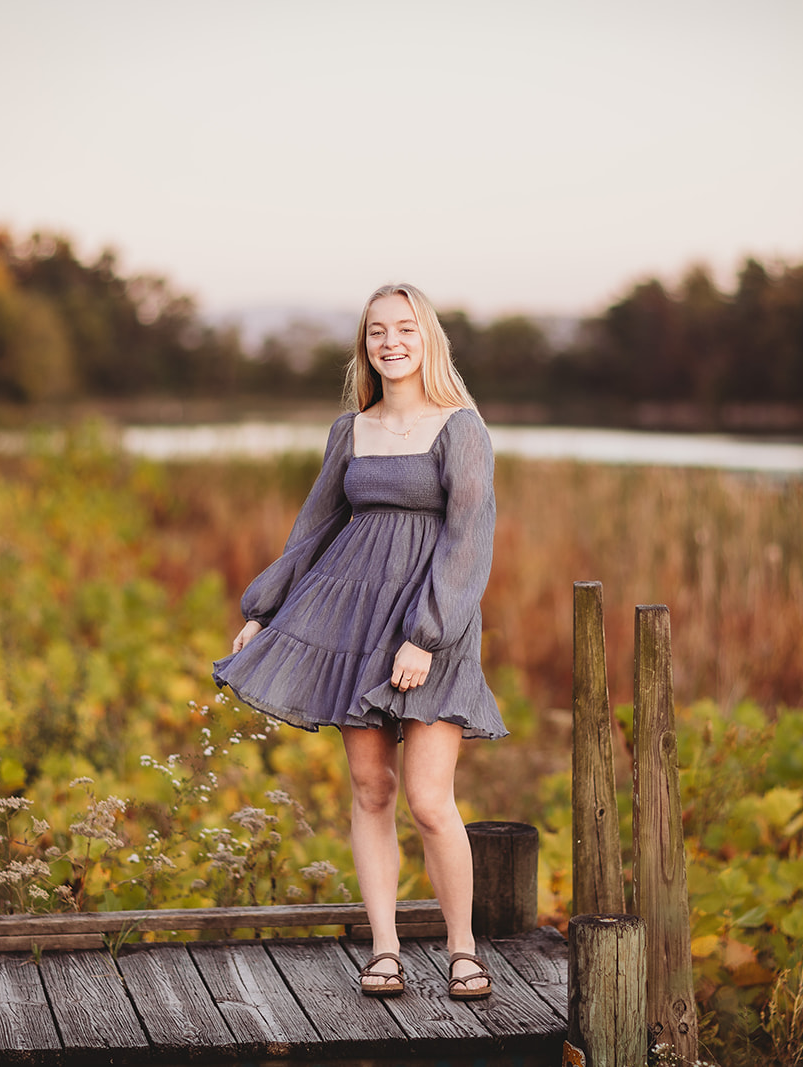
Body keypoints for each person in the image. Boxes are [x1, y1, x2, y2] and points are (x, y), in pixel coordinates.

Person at [213, 282, 505, 1001]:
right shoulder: (351, 430)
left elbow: (469, 543)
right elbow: (312, 529)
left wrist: (425, 637)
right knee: (371, 790)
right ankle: (384, 950)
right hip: (350, 622)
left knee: (430, 799)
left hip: (428, 629)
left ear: (427, 337)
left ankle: (463, 949)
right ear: (365, 345)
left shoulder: (462, 428)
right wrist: (264, 607)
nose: (391, 342)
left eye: (405, 328)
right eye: (378, 331)